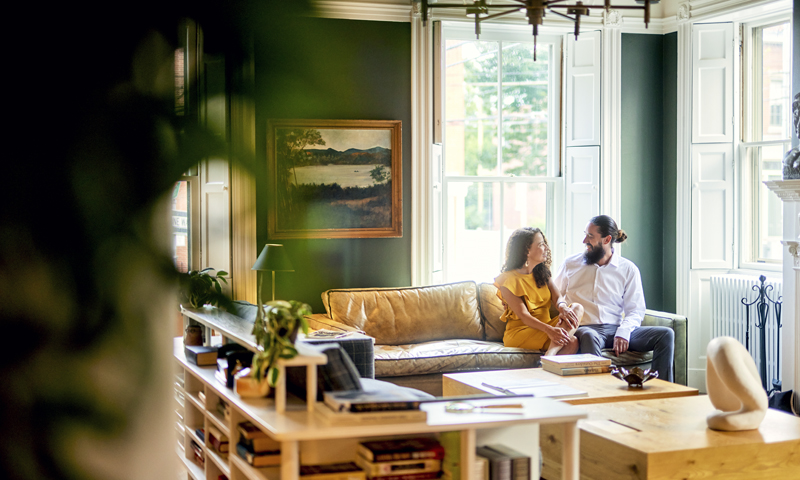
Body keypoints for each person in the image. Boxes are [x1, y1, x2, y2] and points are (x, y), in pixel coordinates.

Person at [553, 215, 675, 381]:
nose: (584, 240)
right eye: (585, 234)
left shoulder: (628, 269)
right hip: (586, 328)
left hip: (616, 328)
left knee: (666, 334)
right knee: (589, 335)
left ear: (607, 239)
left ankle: (663, 391)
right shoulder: (570, 264)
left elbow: (635, 310)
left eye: (590, 236)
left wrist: (623, 332)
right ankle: (600, 392)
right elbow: (555, 296)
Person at [494, 227, 583, 356]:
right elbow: (524, 316)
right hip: (521, 332)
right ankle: (550, 356)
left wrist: (562, 307)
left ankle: (549, 356)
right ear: (527, 251)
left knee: (577, 308)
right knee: (572, 342)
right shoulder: (507, 280)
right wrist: (550, 330)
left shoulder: (543, 273)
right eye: (541, 244)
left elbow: (557, 297)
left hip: (546, 327)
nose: (546, 248)